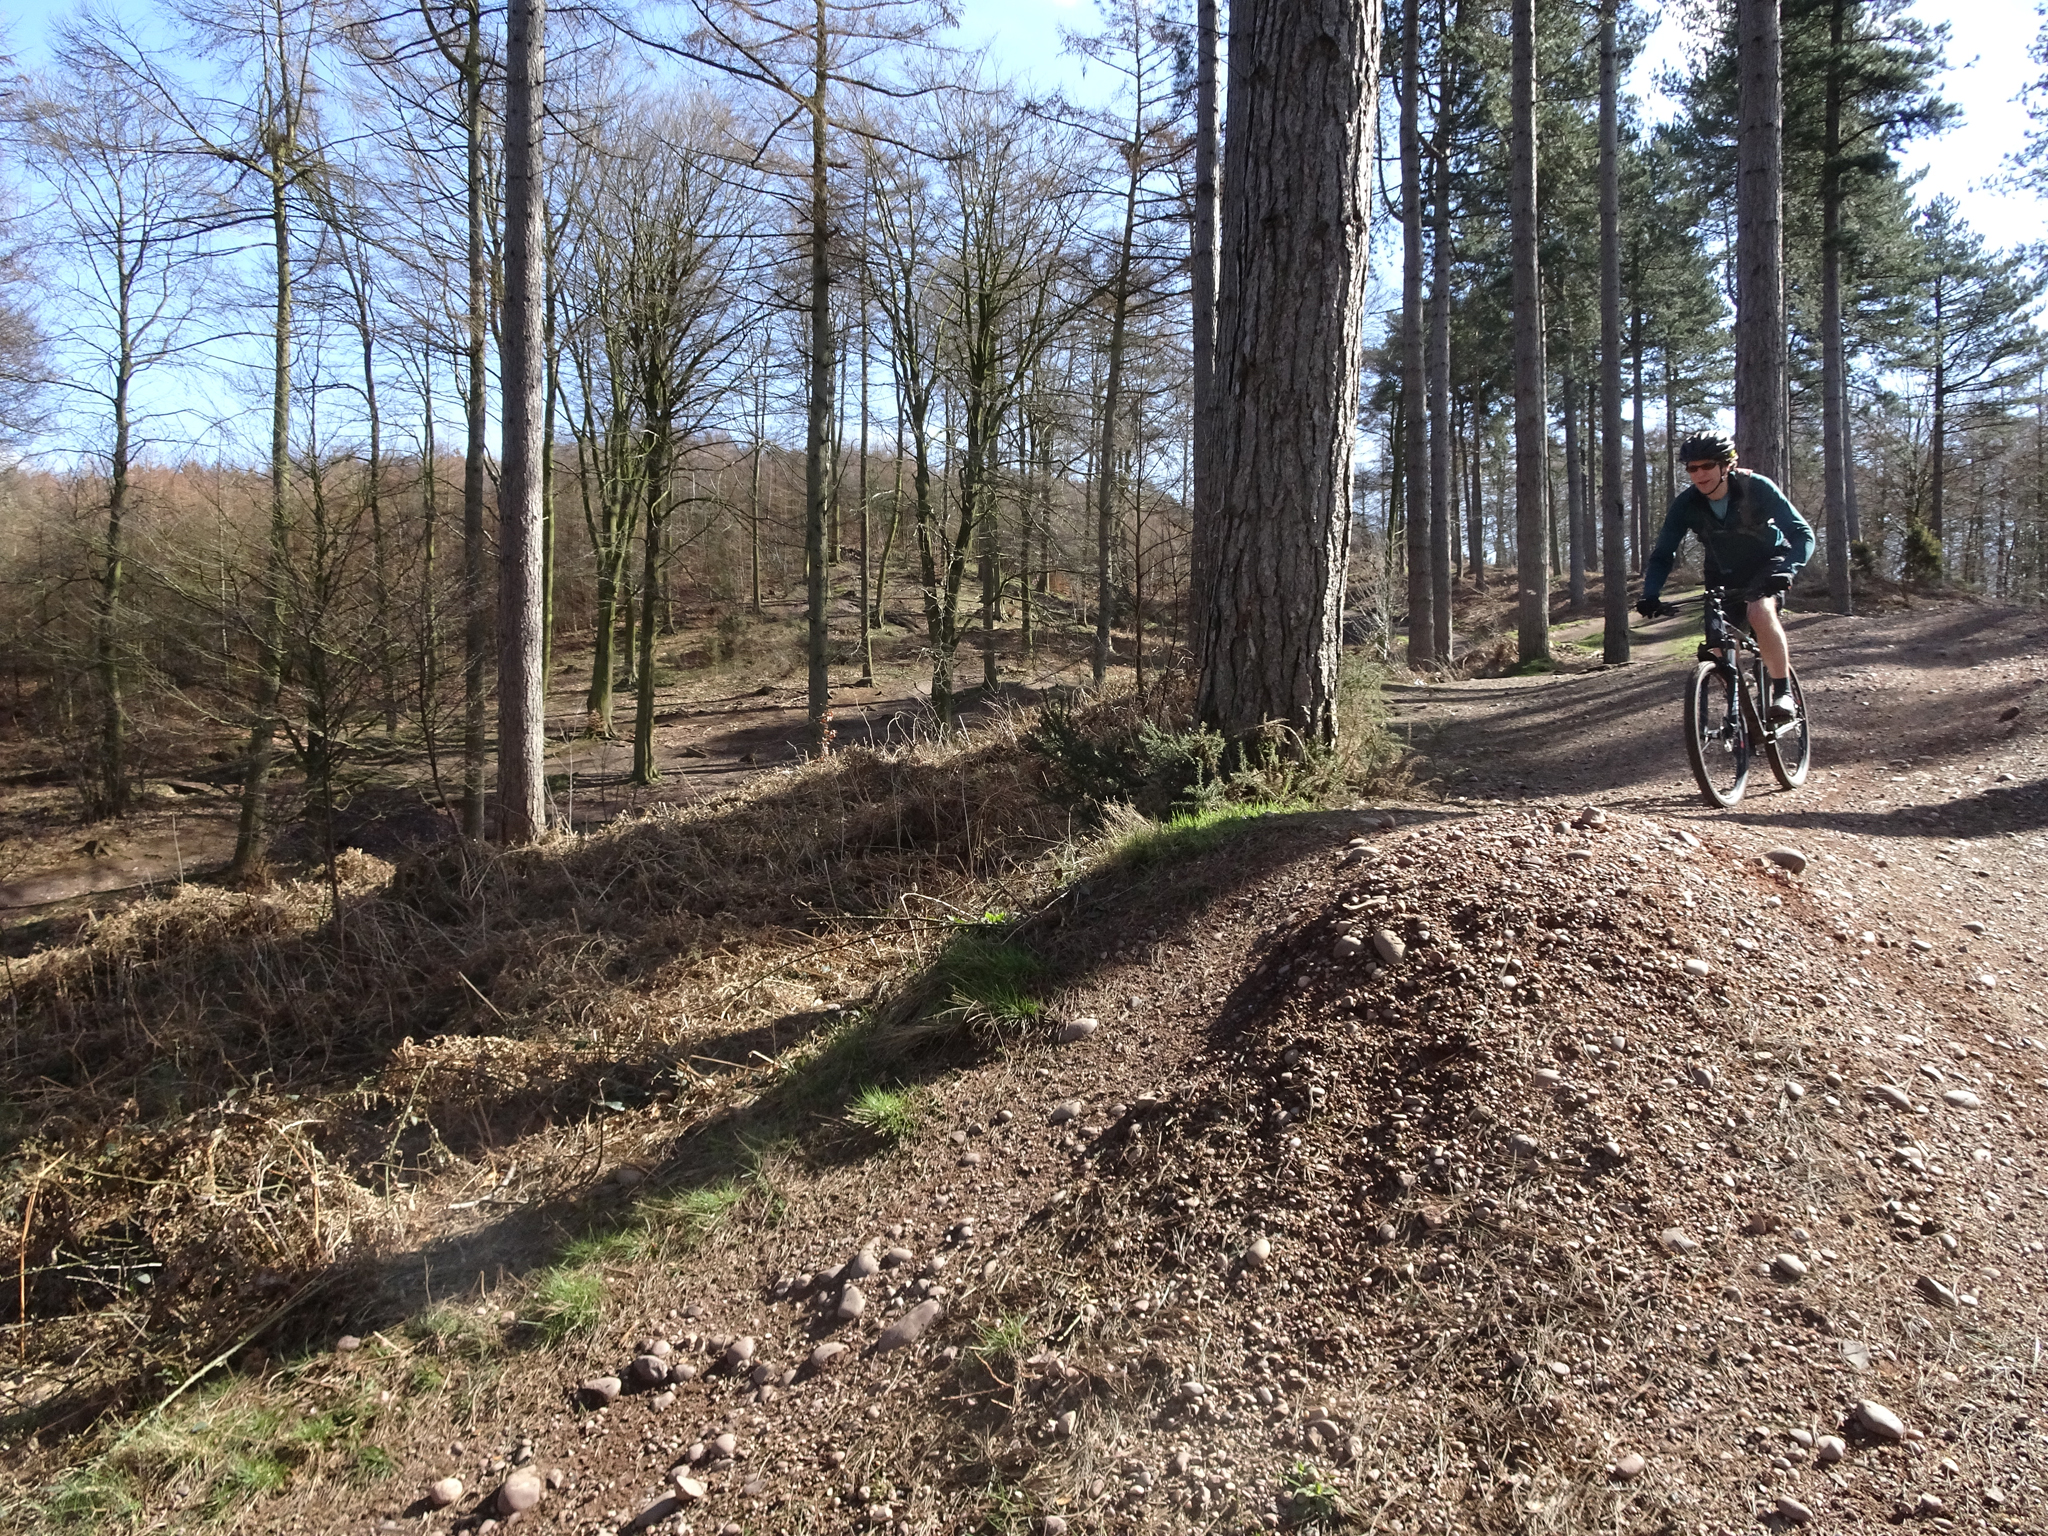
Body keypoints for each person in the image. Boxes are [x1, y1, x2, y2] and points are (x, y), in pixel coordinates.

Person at [1636, 432, 1815, 723]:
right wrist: (1651, 593)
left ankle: (1783, 693)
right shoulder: (1686, 504)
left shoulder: (1756, 488)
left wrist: (1787, 570)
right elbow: (1663, 554)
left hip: (1768, 564)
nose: (1699, 474)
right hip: (1722, 574)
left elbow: (1802, 534)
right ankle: (1739, 702)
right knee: (1716, 646)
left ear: (1727, 465)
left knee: (1759, 611)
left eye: (1707, 466)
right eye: (1692, 468)